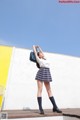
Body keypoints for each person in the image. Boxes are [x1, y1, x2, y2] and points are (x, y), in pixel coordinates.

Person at [33, 45, 62, 114]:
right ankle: (40, 108)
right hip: (41, 73)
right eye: (40, 53)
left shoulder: (45, 58)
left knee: (49, 90)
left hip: (47, 73)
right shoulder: (38, 59)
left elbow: (42, 52)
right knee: (40, 90)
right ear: (39, 56)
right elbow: (35, 52)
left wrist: (39, 48)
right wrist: (35, 47)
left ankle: (55, 107)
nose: (42, 53)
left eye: (42, 53)